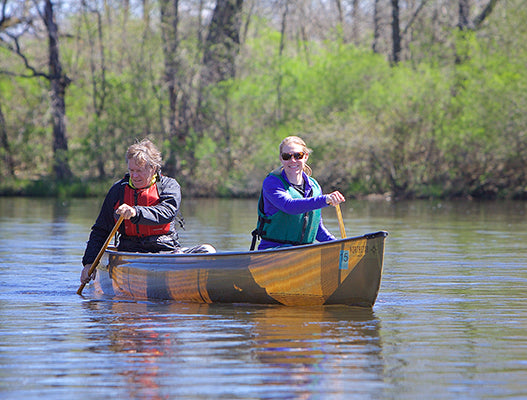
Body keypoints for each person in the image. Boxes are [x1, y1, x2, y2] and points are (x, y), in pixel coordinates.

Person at [80, 138, 214, 284]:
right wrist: (89, 263)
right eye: (131, 170)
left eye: (139, 171)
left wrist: (135, 212)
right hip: (130, 256)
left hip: (165, 252)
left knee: (207, 250)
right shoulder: (118, 190)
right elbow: (101, 230)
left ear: (153, 168)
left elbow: (167, 212)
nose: (134, 175)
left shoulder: (169, 186)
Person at [251, 136, 346, 250]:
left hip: (304, 251)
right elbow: (289, 206)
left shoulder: (314, 187)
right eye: (287, 156)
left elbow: (317, 229)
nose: (293, 160)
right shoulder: (272, 182)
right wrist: (325, 199)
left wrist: (338, 245)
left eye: (298, 155)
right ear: (281, 159)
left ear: (305, 157)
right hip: (274, 249)